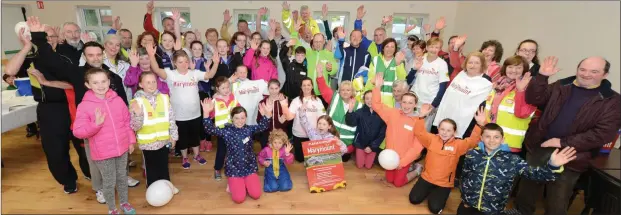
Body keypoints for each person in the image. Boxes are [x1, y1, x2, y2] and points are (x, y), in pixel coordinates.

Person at [511, 56, 621, 215]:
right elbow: (534, 98)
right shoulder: (562, 84)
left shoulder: (613, 101)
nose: (586, 74)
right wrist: (542, 77)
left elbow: (602, 134)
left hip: (572, 155)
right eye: (582, 69)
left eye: (594, 71)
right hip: (541, 145)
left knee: (557, 199)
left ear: (605, 75)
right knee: (526, 190)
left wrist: (562, 142)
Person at [459, 123, 577, 215]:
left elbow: (537, 175)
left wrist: (553, 165)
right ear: (481, 138)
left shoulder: (513, 160)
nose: (491, 140)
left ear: (502, 139)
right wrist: (464, 199)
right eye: (487, 136)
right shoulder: (472, 154)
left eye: (496, 137)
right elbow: (464, 177)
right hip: (468, 205)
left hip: (493, 210)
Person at [72, 68, 136, 215]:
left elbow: (127, 122)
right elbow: (78, 131)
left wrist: (131, 141)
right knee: (109, 181)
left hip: (122, 148)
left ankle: (125, 203)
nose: (100, 85)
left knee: (122, 177)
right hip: (103, 152)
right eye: (95, 82)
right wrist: (96, 124)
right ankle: (112, 209)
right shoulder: (84, 105)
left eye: (103, 81)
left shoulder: (118, 100)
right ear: (88, 85)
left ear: (109, 82)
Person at [146, 44, 214, 169]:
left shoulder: (194, 73)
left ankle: (197, 155)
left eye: (186, 61)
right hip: (179, 115)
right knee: (182, 139)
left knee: (195, 137)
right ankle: (184, 157)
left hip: (195, 113)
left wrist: (216, 62)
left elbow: (209, 75)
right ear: (174, 63)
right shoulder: (170, 74)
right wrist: (151, 55)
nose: (184, 64)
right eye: (180, 62)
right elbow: (156, 69)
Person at [409, 104, 485, 214]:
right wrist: (421, 117)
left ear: (454, 132)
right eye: (442, 129)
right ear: (438, 129)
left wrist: (479, 125)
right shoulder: (431, 139)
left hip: (444, 183)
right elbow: (419, 132)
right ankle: (428, 189)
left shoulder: (458, 145)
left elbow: (473, 141)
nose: (445, 132)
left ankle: (438, 193)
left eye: (449, 130)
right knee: (414, 200)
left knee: (435, 209)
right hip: (427, 178)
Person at [202, 101, 273, 204]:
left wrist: (267, 113)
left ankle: (244, 183)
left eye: (242, 118)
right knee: (239, 199)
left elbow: (263, 126)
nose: (240, 121)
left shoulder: (249, 129)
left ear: (246, 118)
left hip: (249, 167)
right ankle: (232, 184)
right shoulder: (227, 131)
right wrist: (206, 113)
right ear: (232, 119)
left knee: (256, 195)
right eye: (237, 118)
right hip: (234, 168)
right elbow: (210, 130)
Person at [129, 72, 179, 191]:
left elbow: (171, 118)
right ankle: (153, 190)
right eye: (148, 82)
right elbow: (135, 126)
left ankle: (168, 188)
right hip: (148, 144)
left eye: (154, 82)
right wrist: (138, 114)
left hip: (163, 141)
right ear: (141, 84)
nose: (151, 85)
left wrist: (174, 136)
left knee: (163, 166)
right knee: (151, 169)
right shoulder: (136, 102)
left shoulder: (164, 98)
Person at [371, 73, 423, 187]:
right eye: (404, 102)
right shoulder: (393, 113)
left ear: (415, 104)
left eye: (410, 103)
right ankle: (408, 168)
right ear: (400, 102)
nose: (406, 105)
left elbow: (417, 148)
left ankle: (417, 170)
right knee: (389, 180)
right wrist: (377, 87)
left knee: (398, 183)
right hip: (390, 156)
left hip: (404, 158)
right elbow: (376, 105)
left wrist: (403, 162)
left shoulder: (417, 121)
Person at [433, 52, 492, 138]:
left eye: (477, 63)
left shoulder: (485, 83)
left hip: (464, 122)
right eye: (470, 62)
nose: (473, 65)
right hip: (446, 114)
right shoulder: (461, 75)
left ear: (482, 65)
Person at [484, 55, 536, 153]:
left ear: (524, 70)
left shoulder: (529, 89)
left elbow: (522, 113)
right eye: (510, 67)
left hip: (508, 144)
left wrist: (520, 90)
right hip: (488, 142)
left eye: (518, 67)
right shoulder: (497, 85)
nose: (514, 70)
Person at [316, 65, 361, 161]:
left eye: (348, 90)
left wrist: (351, 147)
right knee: (328, 161)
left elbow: (359, 129)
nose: (345, 92)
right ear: (339, 91)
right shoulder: (334, 97)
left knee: (343, 161)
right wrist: (320, 74)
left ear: (352, 92)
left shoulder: (359, 105)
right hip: (329, 140)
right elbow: (323, 89)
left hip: (347, 143)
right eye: (343, 90)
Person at [280, 78, 327, 162]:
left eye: (308, 85)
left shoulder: (318, 100)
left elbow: (323, 118)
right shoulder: (296, 101)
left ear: (312, 86)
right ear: (301, 87)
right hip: (299, 135)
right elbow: (289, 117)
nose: (306, 87)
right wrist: (284, 105)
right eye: (304, 85)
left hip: (313, 135)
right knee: (300, 159)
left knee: (312, 160)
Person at [290, 20, 338, 99]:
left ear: (323, 42)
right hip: (308, 91)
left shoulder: (329, 54)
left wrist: (331, 68)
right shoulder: (308, 53)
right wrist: (295, 32)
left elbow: (335, 69)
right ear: (313, 42)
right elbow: (296, 45)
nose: (318, 44)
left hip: (323, 93)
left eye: (320, 42)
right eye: (316, 42)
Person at [410, 37, 449, 131]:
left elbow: (443, 87)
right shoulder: (420, 59)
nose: (434, 50)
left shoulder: (442, 64)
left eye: (437, 47)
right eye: (431, 47)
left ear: (440, 49)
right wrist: (414, 68)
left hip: (429, 102)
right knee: (410, 126)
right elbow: (409, 79)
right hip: (415, 98)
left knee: (423, 130)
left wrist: (434, 104)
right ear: (427, 47)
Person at [345, 90, 386, 169]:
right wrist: (350, 110)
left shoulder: (381, 114)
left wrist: (372, 147)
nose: (370, 101)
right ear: (364, 100)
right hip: (360, 144)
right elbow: (351, 122)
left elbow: (382, 134)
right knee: (360, 166)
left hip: (373, 145)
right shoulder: (360, 112)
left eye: (372, 98)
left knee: (368, 166)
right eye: (367, 98)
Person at [209, 76, 240, 180]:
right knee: (221, 151)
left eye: (228, 87)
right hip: (222, 131)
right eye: (223, 88)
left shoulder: (233, 97)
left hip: (234, 129)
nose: (226, 90)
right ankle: (217, 168)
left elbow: (239, 110)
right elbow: (210, 115)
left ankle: (234, 167)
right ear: (217, 89)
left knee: (235, 149)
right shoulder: (214, 101)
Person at [364, 38, 407, 108]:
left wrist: (398, 64)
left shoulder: (398, 61)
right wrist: (373, 82)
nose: (389, 49)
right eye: (387, 46)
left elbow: (402, 79)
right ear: (383, 48)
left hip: (391, 100)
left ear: (395, 49)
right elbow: (370, 79)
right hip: (375, 97)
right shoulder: (375, 59)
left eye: (392, 47)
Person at [257, 80, 289, 149]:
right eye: (271, 88)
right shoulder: (262, 102)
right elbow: (258, 121)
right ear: (268, 88)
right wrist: (265, 117)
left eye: (276, 88)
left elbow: (289, 119)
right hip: (267, 135)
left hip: (281, 134)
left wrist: (282, 122)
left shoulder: (284, 101)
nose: (274, 91)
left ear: (279, 88)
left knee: (281, 157)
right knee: (267, 157)